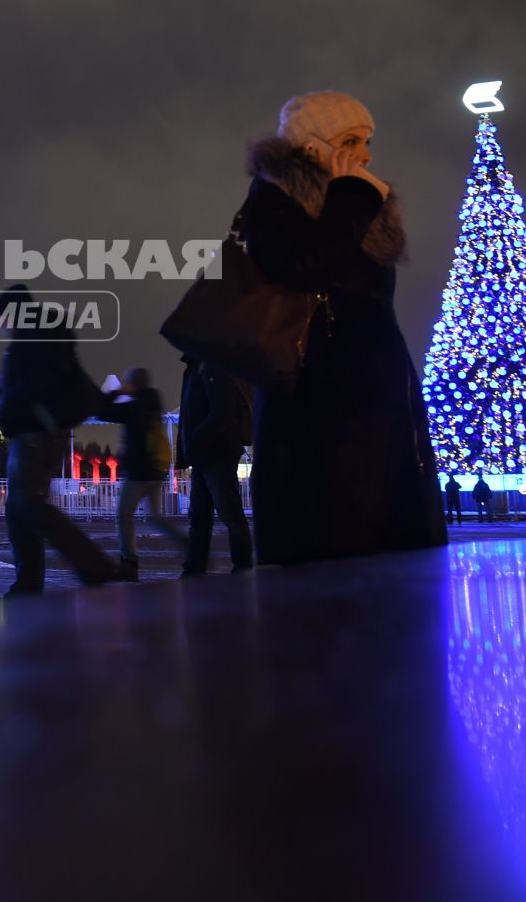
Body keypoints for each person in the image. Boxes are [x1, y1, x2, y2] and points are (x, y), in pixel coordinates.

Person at [240, 92, 448, 564]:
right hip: (318, 400)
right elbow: (305, 264)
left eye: (368, 140)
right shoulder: (277, 195)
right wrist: (351, 196)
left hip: (380, 392)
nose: (368, 153)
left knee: (392, 545)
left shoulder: (356, 203)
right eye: (352, 140)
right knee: (335, 544)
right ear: (313, 148)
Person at [0, 284, 120, 594]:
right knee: (20, 511)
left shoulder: (34, 335)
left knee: (30, 507)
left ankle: (93, 565)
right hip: (34, 430)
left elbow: (38, 379)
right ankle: (29, 582)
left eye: (0, 316)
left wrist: (15, 402)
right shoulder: (40, 333)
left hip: (36, 431)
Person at [99, 367, 185, 578]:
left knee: (123, 515)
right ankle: (190, 546)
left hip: (138, 472)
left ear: (132, 384)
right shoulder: (153, 402)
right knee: (155, 517)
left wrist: (116, 393)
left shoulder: (133, 407)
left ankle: (129, 562)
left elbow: (103, 412)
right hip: (155, 469)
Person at [176, 357, 256, 575]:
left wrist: (195, 442)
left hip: (216, 452)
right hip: (207, 453)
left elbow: (222, 412)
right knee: (202, 515)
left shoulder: (210, 364)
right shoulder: (201, 365)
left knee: (226, 511)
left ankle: (241, 564)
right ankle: (196, 565)